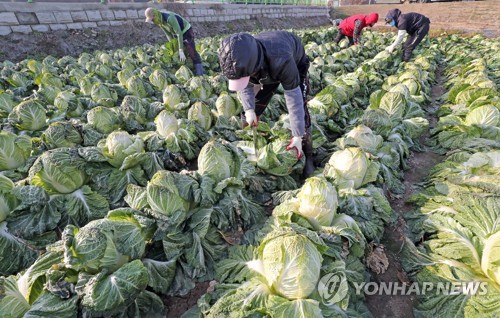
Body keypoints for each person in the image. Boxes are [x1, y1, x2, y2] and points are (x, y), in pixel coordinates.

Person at [218, 31, 315, 178]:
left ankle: (308, 155)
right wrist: (249, 110)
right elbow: (245, 86)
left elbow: (293, 100)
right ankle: (251, 144)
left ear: (254, 67)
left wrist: (297, 136)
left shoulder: (282, 60)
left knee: (301, 107)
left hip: (293, 62)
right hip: (264, 67)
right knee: (252, 111)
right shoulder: (241, 60)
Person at [144, 7, 204, 76]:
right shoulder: (160, 22)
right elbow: (168, 34)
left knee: (191, 51)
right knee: (181, 52)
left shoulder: (169, 18)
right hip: (177, 33)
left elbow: (179, 33)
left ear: (155, 15)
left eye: (152, 19)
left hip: (186, 31)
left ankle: (200, 72)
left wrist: (180, 50)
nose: (153, 21)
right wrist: (173, 47)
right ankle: (189, 70)